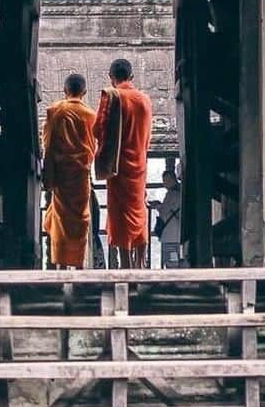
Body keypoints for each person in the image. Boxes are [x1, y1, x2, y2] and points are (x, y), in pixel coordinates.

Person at [95, 58, 152, 269]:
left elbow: (98, 129)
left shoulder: (112, 96)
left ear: (111, 78)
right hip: (139, 162)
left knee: (120, 212)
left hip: (118, 165)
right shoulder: (145, 99)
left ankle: (126, 260)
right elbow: (148, 134)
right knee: (139, 207)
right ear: (132, 77)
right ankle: (140, 260)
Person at [41, 72, 97, 270]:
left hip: (60, 176)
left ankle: (61, 266)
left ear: (65, 91)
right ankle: (79, 265)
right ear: (84, 92)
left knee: (60, 221)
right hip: (81, 176)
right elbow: (94, 146)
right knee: (80, 221)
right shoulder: (91, 116)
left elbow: (47, 144)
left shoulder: (54, 111)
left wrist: (48, 176)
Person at [151, 166, 183, 268]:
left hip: (170, 234)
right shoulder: (182, 191)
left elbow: (164, 211)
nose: (164, 183)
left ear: (171, 180)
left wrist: (157, 206)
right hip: (179, 232)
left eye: (165, 180)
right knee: (178, 258)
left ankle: (173, 278)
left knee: (171, 260)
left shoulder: (171, 194)